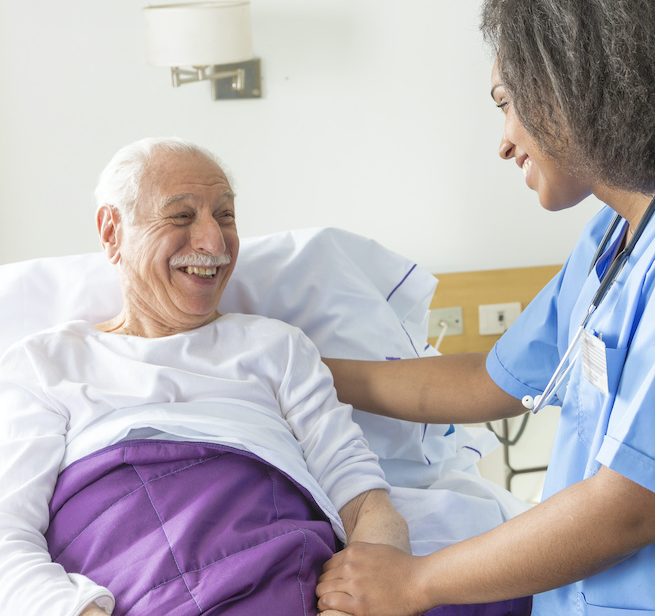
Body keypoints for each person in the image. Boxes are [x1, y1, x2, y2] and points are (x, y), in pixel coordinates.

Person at [316, 0, 655, 615]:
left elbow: (634, 507)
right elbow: (494, 381)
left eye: (506, 103)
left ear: (577, 90)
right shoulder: (620, 233)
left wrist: (415, 582)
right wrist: (302, 371)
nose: (505, 141)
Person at [0, 138, 409, 616]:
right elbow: (9, 537)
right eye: (181, 216)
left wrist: (352, 606)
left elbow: (365, 505)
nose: (213, 242)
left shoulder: (278, 347)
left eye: (225, 216)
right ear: (111, 232)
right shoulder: (47, 363)